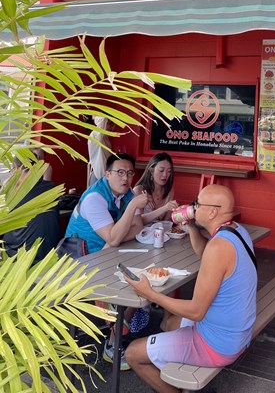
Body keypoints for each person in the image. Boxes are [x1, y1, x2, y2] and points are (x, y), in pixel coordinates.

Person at [124, 184, 257, 393]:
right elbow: (205, 253)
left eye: (197, 204)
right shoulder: (236, 230)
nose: (193, 208)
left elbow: (196, 311)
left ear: (212, 212)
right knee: (169, 322)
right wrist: (192, 226)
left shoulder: (219, 247)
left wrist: (150, 294)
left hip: (217, 344)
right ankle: (179, 370)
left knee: (132, 353)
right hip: (237, 332)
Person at [65, 153, 149, 369]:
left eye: (129, 173)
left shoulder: (127, 194)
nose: (125, 178)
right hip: (81, 260)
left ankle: (118, 331)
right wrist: (131, 209)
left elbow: (137, 227)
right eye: (120, 172)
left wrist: (118, 237)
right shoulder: (95, 198)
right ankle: (113, 345)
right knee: (130, 285)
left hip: (109, 254)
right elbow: (113, 237)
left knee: (142, 280)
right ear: (107, 174)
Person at [3, 157, 61, 263]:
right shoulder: (52, 188)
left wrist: (7, 185)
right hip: (50, 256)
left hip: (19, 258)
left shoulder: (11, 196)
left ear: (16, 168)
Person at [133, 152, 178, 224]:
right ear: (151, 171)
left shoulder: (169, 190)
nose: (165, 175)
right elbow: (139, 221)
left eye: (169, 171)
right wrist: (164, 208)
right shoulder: (139, 190)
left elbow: (166, 222)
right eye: (161, 170)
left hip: (160, 230)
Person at [87, 116, 114, 187]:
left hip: (104, 175)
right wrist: (94, 116)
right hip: (98, 175)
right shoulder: (96, 135)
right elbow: (103, 119)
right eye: (110, 125)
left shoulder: (104, 138)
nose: (112, 128)